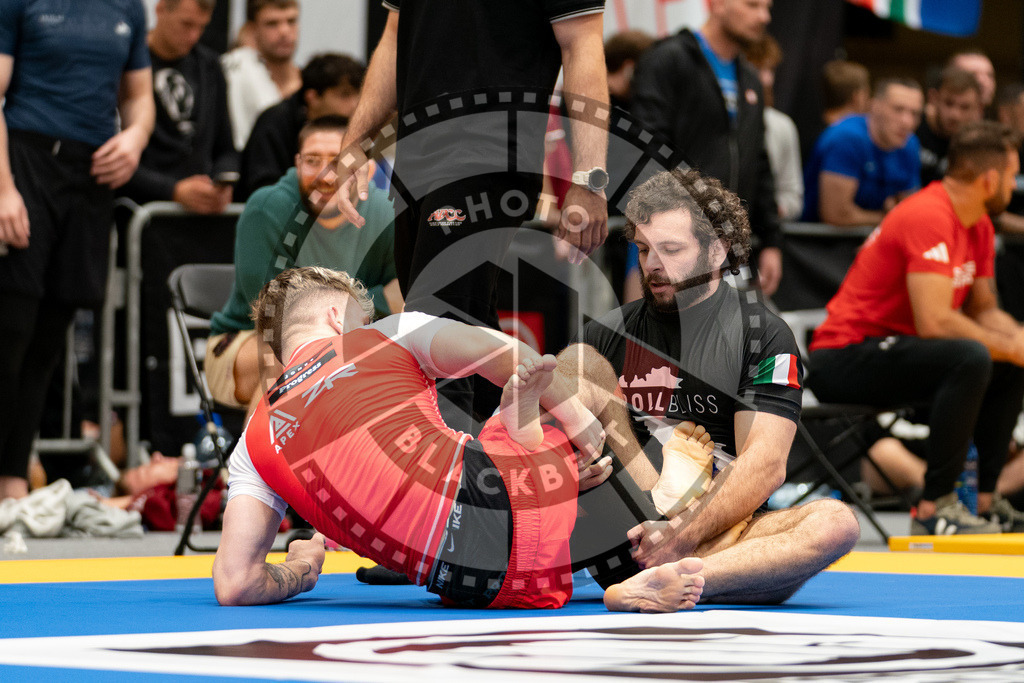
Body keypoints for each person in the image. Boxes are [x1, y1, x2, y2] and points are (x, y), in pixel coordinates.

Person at [212, 266, 707, 612]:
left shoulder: (252, 446)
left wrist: (301, 566)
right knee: (569, 377)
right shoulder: (386, 334)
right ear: (339, 319)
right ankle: (633, 535)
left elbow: (235, 584)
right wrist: (578, 421)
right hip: (516, 506)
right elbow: (506, 353)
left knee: (493, 457)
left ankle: (535, 459)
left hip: (485, 588)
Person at [577, 168, 859, 603]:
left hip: (721, 531)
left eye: (670, 250)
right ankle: (702, 576)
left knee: (837, 522)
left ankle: (684, 577)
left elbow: (765, 465)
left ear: (716, 251)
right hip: (623, 527)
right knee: (554, 383)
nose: (652, 265)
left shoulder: (762, 336)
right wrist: (564, 468)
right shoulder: (606, 334)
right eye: (644, 249)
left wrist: (681, 535)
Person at [333, 0, 610, 431]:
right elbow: (393, 38)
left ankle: (453, 490)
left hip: (491, 152)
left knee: (435, 324)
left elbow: (583, 46)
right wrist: (355, 143)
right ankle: (558, 443)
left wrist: (589, 179)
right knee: (463, 327)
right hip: (415, 157)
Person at [808, 121, 1024, 535]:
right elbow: (935, 321)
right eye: (1012, 176)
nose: (1014, 187)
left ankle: (984, 501)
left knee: (1006, 361)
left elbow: (985, 309)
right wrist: (1008, 345)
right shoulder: (929, 213)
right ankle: (934, 508)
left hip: (900, 351)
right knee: (972, 354)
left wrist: (1015, 341)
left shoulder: (977, 223)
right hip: (844, 357)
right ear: (990, 179)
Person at [0, 0, 155, 501]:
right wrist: (3, 190)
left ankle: (14, 480)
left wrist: (134, 138)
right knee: (10, 329)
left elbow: (138, 97)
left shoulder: (127, 7)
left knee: (50, 335)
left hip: (92, 174)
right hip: (26, 159)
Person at [205, 116, 401, 413]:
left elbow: (403, 302)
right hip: (245, 343)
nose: (325, 174)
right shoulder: (267, 209)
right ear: (297, 164)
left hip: (352, 345)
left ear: (366, 170)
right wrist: (370, 305)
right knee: (298, 353)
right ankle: (260, 461)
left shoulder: (386, 213)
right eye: (312, 160)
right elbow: (272, 315)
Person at [630, 0, 783, 297]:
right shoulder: (668, 60)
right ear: (717, 4)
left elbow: (759, 163)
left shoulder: (749, 77)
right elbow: (647, 151)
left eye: (767, 7)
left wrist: (772, 242)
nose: (764, 17)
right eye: (752, 5)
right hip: (670, 242)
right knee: (656, 340)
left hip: (728, 246)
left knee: (723, 341)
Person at [121, 0, 238, 214]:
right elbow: (115, 157)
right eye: (186, 24)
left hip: (198, 215)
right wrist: (172, 190)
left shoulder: (210, 66)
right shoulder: (129, 61)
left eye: (202, 27)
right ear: (160, 9)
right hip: (142, 211)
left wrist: (224, 179)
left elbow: (226, 148)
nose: (194, 36)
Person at [239, 53, 365, 199]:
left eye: (359, 95)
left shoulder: (354, 127)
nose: (355, 104)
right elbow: (264, 187)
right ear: (312, 97)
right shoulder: (274, 123)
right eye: (345, 95)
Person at [803, 78, 923, 226]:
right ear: (875, 106)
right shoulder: (847, 139)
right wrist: (887, 217)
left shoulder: (910, 144)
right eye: (898, 109)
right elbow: (836, 215)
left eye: (915, 114)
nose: (907, 122)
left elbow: (909, 210)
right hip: (819, 242)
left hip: (870, 237)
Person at [221, 0, 300, 150]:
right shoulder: (239, 70)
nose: (284, 31)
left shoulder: (308, 85)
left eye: (291, 21)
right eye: (272, 23)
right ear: (251, 29)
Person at [744, 34, 803, 221]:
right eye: (758, 68)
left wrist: (774, 210)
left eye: (770, 69)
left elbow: (793, 195)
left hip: (761, 239)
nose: (767, 79)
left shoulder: (782, 126)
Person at [917, 67, 983, 186]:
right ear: (933, 98)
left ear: (978, 109)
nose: (955, 115)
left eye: (965, 107)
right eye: (949, 103)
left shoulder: (976, 144)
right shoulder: (913, 126)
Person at [821, 60, 870, 128]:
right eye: (866, 93)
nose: (869, 100)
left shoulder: (812, 125)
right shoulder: (856, 131)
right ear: (856, 97)